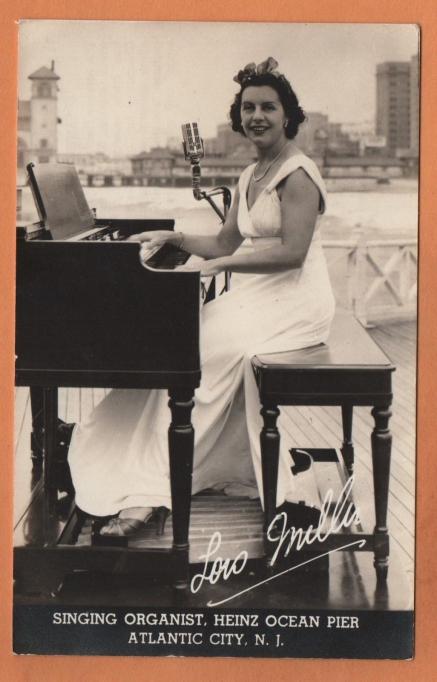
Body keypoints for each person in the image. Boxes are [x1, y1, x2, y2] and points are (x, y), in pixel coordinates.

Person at [68, 57, 336, 536]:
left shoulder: (298, 173)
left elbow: (293, 253)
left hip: (298, 301)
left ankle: (151, 490)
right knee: (181, 349)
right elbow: (223, 243)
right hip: (261, 294)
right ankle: (126, 454)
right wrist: (174, 239)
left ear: (287, 115)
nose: (257, 116)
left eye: (268, 108)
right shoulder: (251, 172)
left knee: (201, 358)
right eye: (249, 107)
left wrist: (222, 266)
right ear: (240, 117)